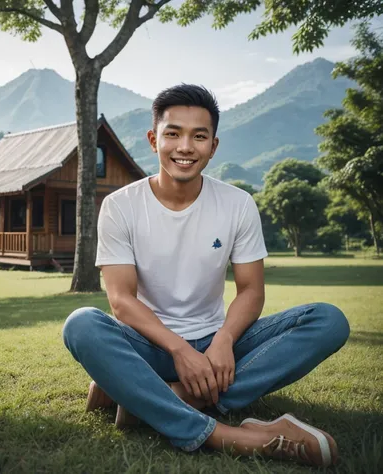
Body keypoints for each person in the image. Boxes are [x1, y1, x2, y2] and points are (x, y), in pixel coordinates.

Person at [62, 84, 350, 467]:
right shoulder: (120, 206)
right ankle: (228, 435)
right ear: (154, 139)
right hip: (152, 347)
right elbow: (121, 302)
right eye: (173, 133)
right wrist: (179, 350)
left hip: (217, 346)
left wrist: (224, 340)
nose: (185, 147)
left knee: (328, 320)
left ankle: (160, 398)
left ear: (213, 146)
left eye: (199, 136)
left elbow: (250, 291)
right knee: (81, 324)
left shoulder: (237, 204)